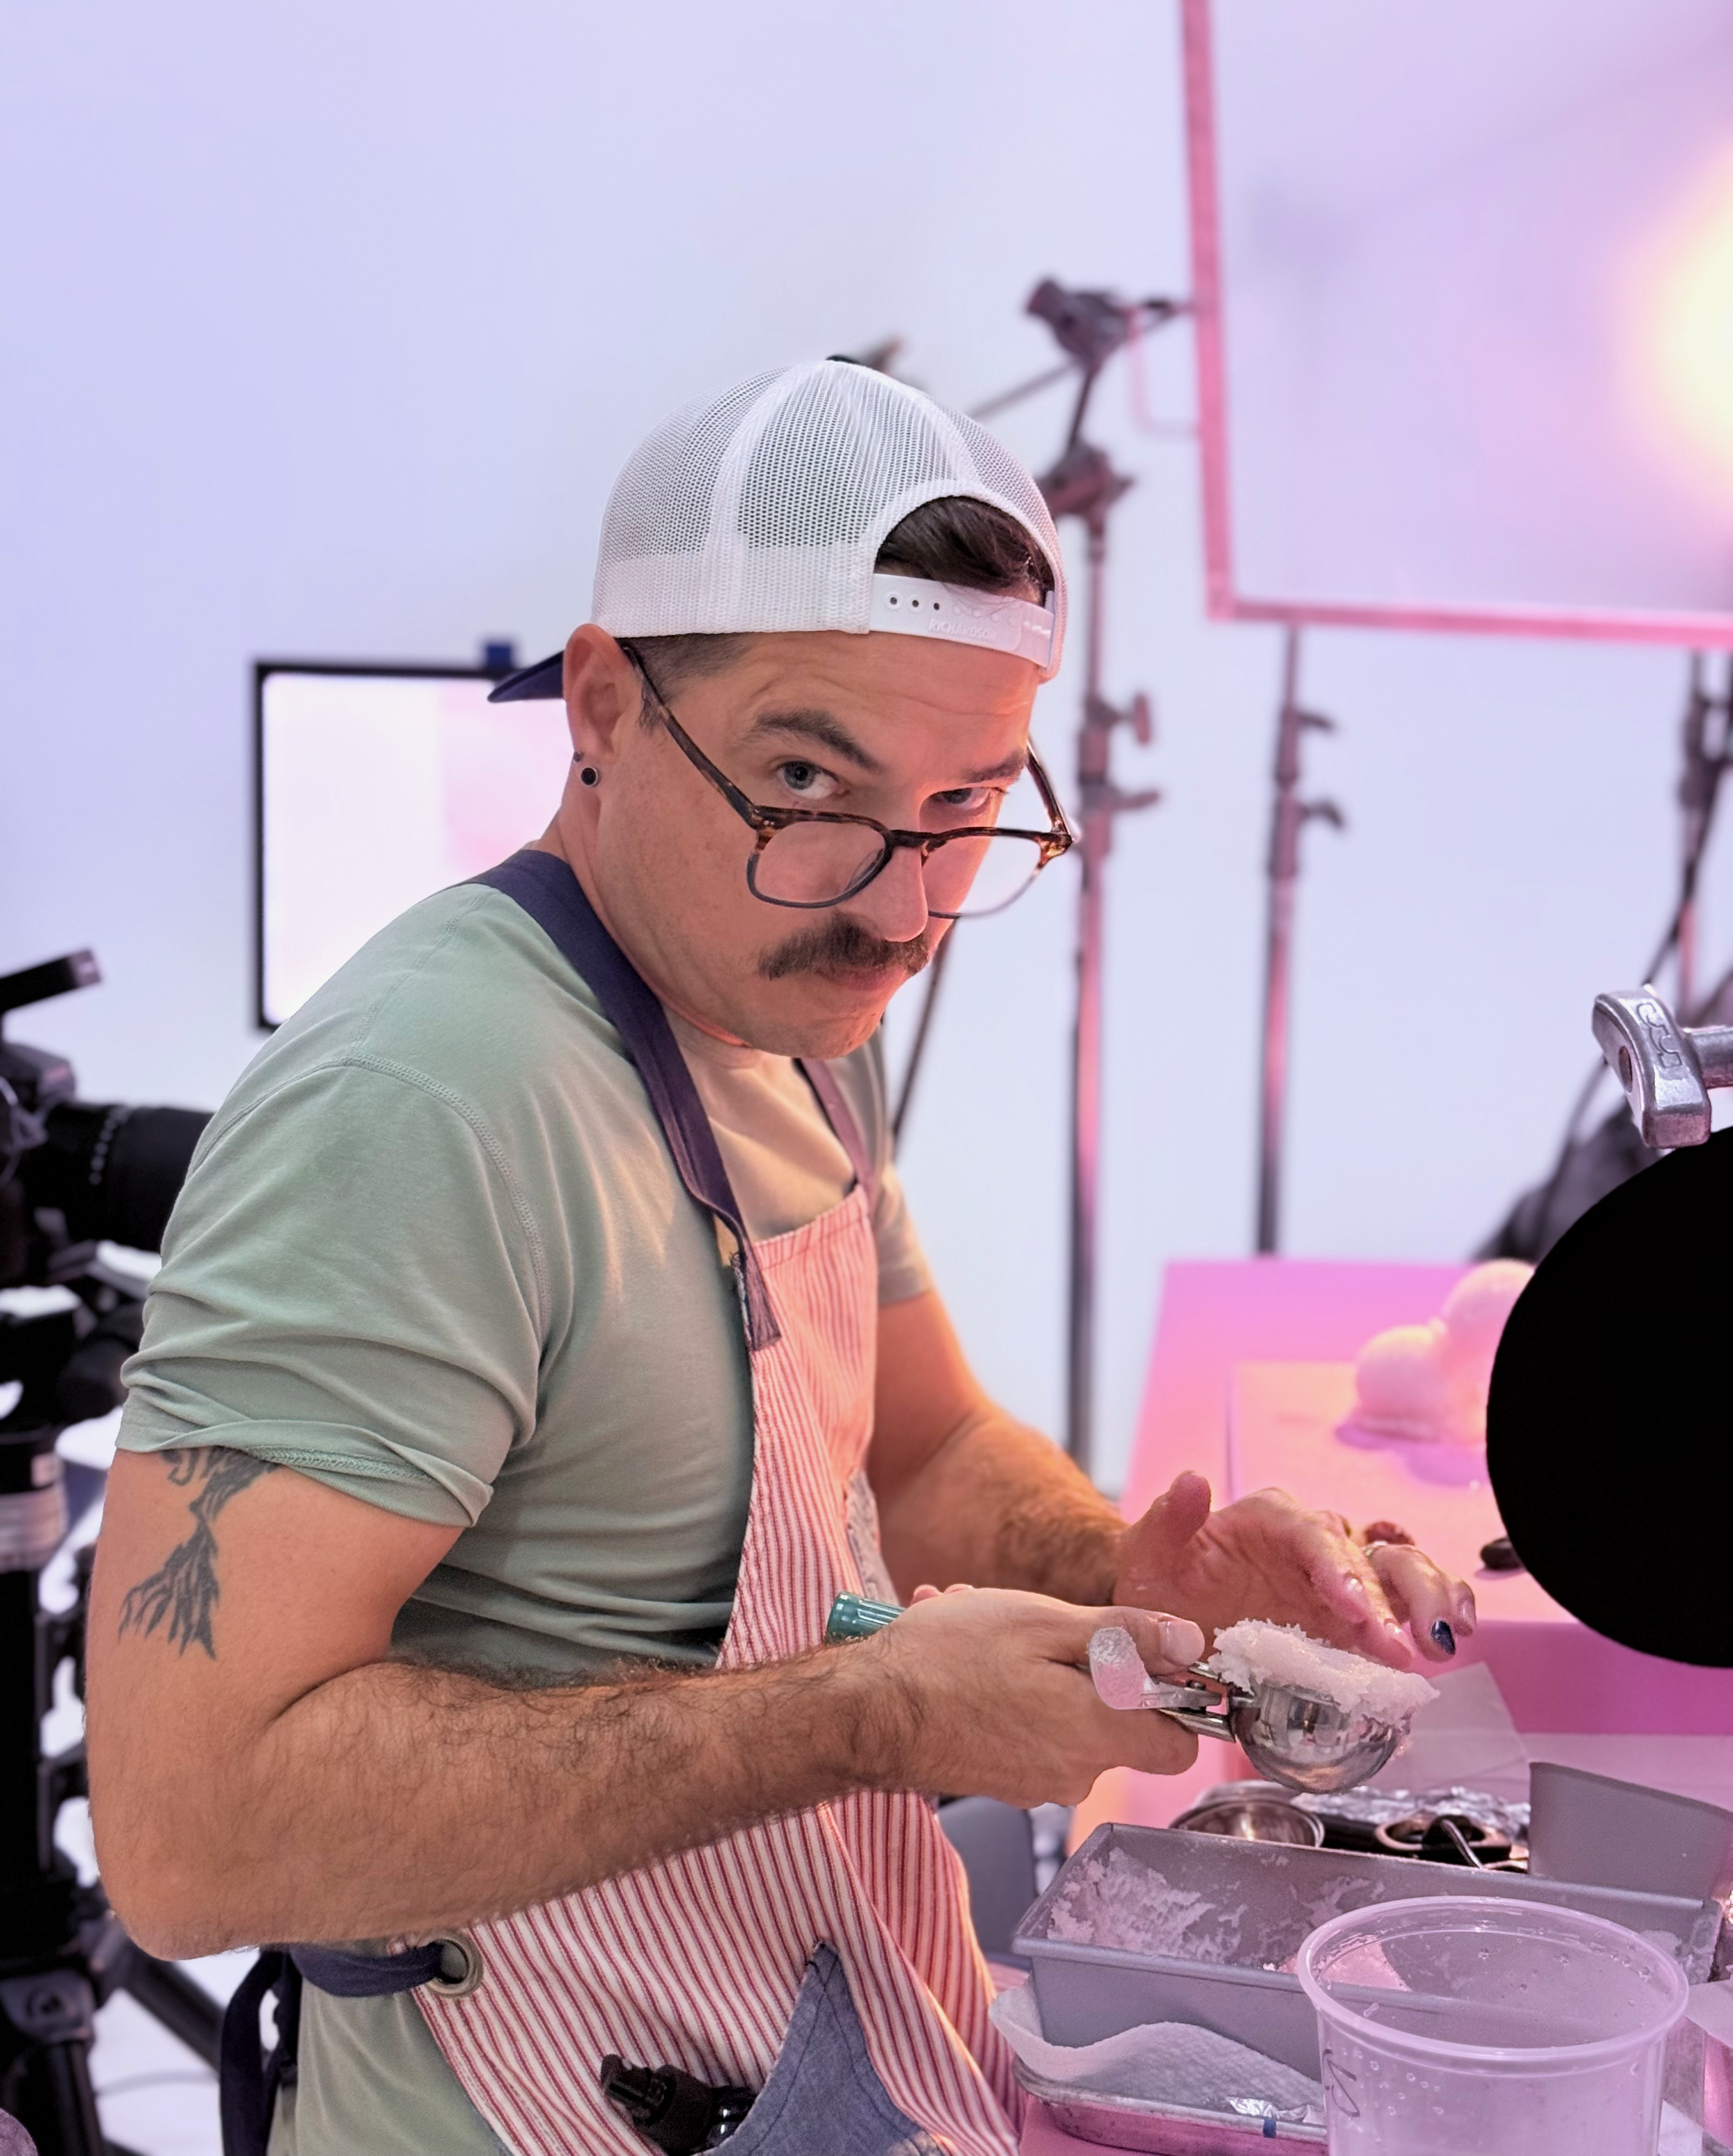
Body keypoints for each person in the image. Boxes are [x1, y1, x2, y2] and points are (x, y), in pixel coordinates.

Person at [87, 361, 1474, 2156]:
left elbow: (917, 1449)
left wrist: (1135, 1573)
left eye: (965, 804)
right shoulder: (423, 1107)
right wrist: (862, 1716)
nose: (898, 906)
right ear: (604, 701)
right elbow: (192, 1836)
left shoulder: (789, 1008)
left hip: (818, 2049)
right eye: (806, 781)